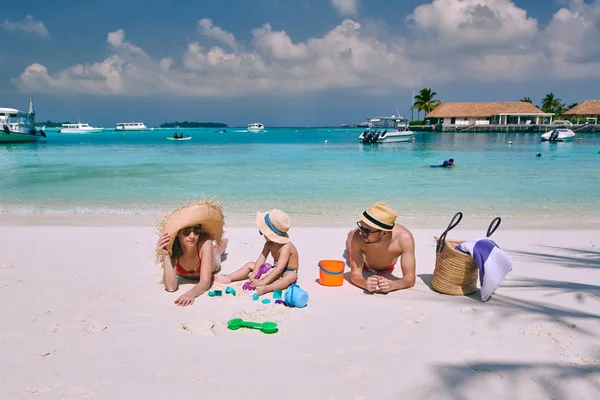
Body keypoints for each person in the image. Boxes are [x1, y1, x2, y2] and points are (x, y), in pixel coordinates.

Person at [155, 200, 228, 306]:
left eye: (196, 230)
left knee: (217, 253)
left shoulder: (205, 242)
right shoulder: (174, 249)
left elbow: (205, 282)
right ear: (177, 233)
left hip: (211, 261)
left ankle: (224, 242)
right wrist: (165, 255)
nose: (192, 236)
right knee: (216, 250)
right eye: (186, 231)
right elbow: (171, 287)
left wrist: (190, 294)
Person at [215, 209, 299, 296]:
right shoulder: (269, 244)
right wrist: (255, 273)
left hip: (287, 271)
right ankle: (230, 277)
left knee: (291, 276)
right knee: (250, 265)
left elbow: (280, 268)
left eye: (263, 232)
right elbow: (261, 259)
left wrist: (262, 282)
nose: (262, 234)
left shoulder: (286, 247)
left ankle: (267, 288)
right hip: (275, 269)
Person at [345, 202, 416, 293]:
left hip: (387, 266)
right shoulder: (358, 236)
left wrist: (392, 285)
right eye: (361, 227)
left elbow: (410, 279)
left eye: (366, 231)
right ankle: (349, 237)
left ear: (384, 233)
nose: (360, 232)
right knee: (349, 246)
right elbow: (355, 274)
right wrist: (364, 284)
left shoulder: (404, 239)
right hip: (364, 261)